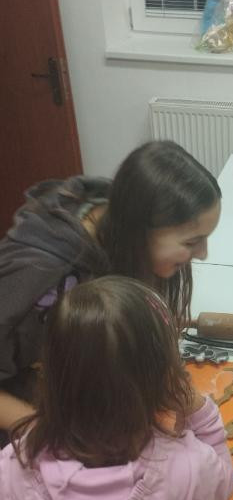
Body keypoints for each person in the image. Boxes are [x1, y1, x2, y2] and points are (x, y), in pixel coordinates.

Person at [0, 276, 233, 500]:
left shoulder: (19, 462)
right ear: (165, 381)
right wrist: (202, 414)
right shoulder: (185, 461)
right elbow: (221, 490)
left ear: (48, 373)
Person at [0, 141, 221, 433]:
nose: (203, 253)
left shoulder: (120, 227)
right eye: (192, 242)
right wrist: (48, 439)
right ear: (139, 231)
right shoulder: (35, 274)